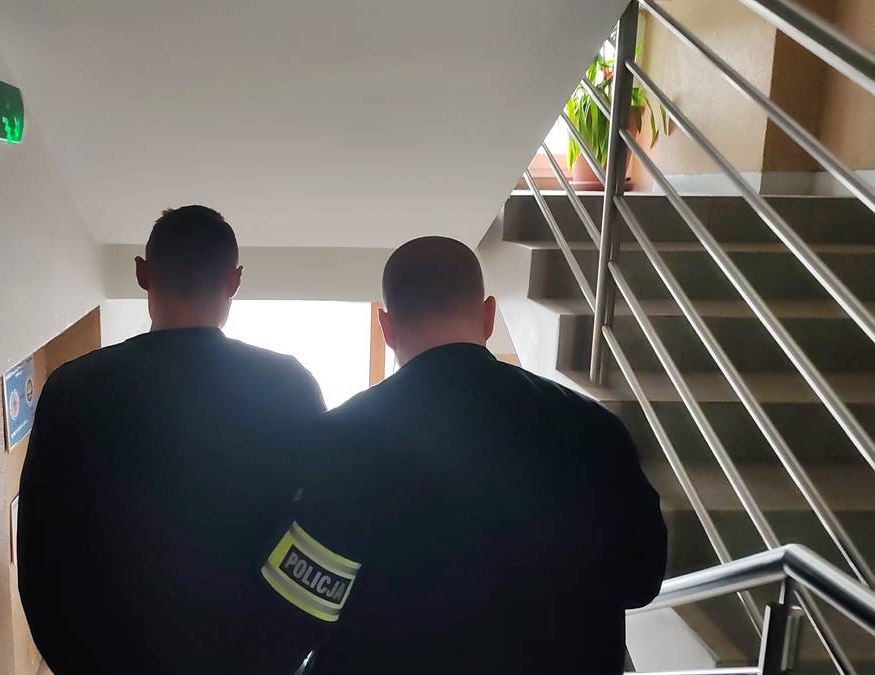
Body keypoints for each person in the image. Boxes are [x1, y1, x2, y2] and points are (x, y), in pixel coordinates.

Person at [242, 236, 667, 674]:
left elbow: (299, 607)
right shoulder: (593, 428)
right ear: (488, 315)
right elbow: (641, 580)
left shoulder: (341, 440)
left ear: (387, 327)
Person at [17, 205, 326, 675]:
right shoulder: (289, 387)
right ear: (234, 280)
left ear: (142, 274)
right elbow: (315, 541)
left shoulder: (73, 389)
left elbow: (41, 555)